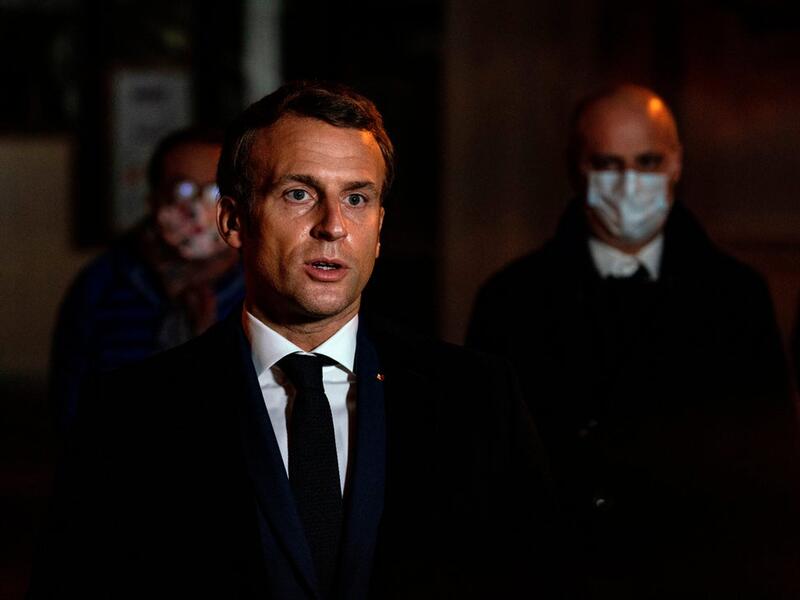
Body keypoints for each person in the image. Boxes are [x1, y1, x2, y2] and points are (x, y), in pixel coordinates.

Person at [30, 81, 559, 599]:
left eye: (356, 198)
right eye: (299, 194)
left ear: (379, 228)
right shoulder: (128, 413)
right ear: (234, 220)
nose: (333, 226)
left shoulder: (477, 398)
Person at [468, 84, 800, 597]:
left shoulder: (737, 297)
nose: (629, 184)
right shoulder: (511, 300)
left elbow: (769, 475)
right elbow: (482, 476)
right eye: (608, 163)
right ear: (576, 167)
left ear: (676, 163)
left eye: (648, 162)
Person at [49, 128, 244, 434]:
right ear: (153, 201)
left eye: (214, 192)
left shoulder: (266, 288)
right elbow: (70, 403)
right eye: (181, 192)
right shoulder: (102, 285)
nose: (197, 210)